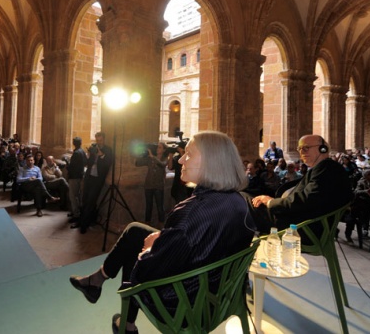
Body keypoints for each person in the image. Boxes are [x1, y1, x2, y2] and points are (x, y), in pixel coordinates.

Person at [68, 131, 256, 334]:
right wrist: (168, 239)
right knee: (136, 231)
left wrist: (150, 250)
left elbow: (145, 273)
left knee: (135, 250)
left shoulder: (189, 214)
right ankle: (99, 283)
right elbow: (209, 240)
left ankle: (124, 321)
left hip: (186, 305)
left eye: (189, 154)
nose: (181, 159)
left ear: (212, 162)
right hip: (222, 295)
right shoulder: (240, 202)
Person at [251, 135, 353, 235]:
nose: (301, 152)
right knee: (248, 202)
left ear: (323, 149)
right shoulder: (323, 168)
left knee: (244, 201)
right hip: (299, 221)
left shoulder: (326, 168)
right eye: (299, 149)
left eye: (306, 148)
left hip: (303, 228)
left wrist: (270, 202)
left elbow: (305, 200)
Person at [79, 131, 113, 234]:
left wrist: (101, 155)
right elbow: (88, 164)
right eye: (97, 140)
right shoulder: (93, 147)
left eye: (100, 140)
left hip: (98, 179)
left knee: (91, 201)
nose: (99, 142)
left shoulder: (108, 150)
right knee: (84, 199)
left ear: (104, 139)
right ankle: (84, 221)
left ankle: (84, 225)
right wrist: (89, 155)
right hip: (89, 177)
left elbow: (108, 164)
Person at [12, 152, 59, 217]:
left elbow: (40, 178)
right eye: (28, 160)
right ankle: (49, 197)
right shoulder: (22, 169)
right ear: (26, 161)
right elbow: (18, 179)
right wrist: (28, 178)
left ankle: (39, 210)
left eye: (31, 160)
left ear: (34, 161)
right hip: (25, 185)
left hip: (35, 185)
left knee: (37, 188)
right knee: (38, 182)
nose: (30, 162)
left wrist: (35, 180)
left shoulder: (37, 169)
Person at [135, 142, 167, 225]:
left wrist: (153, 157)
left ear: (164, 150)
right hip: (148, 185)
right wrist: (139, 153)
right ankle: (147, 223)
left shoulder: (165, 158)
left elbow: (162, 165)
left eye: (159, 147)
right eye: (157, 147)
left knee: (160, 207)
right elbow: (137, 163)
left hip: (158, 186)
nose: (157, 149)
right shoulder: (150, 158)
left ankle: (161, 224)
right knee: (148, 206)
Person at [67, 137, 87, 228]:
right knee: (78, 196)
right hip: (80, 175)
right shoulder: (82, 152)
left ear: (74, 143)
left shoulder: (76, 153)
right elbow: (86, 162)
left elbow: (72, 167)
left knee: (73, 196)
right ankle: (77, 213)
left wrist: (67, 164)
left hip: (74, 177)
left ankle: (76, 215)